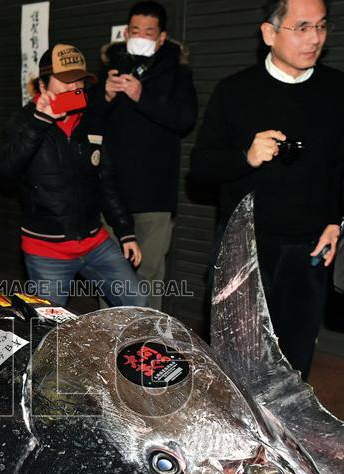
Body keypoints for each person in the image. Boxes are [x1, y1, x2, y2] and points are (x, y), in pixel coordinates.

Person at [190, 0, 344, 379]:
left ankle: (283, 437)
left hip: (309, 249)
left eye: (321, 26)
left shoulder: (339, 89)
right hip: (245, 247)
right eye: (302, 27)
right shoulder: (234, 91)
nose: (315, 38)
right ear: (269, 33)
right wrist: (245, 157)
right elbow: (199, 169)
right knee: (235, 359)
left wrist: (338, 221)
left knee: (295, 362)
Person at [0, 43, 145, 308]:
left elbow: (106, 181)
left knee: (137, 303)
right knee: (50, 329)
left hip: (95, 242)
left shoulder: (91, 120)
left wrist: (125, 232)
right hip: (46, 250)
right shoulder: (22, 121)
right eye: (65, 80)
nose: (74, 86)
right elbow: (6, 172)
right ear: (42, 85)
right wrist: (40, 122)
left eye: (79, 80)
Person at [98, 0, 197, 309]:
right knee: (109, 272)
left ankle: (146, 343)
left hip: (155, 193)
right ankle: (107, 340)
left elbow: (184, 119)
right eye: (135, 30)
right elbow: (89, 120)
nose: (141, 36)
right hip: (111, 191)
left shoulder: (177, 72)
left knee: (149, 273)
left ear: (162, 37)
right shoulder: (110, 65)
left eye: (149, 31)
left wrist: (142, 96)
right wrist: (106, 95)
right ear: (126, 32)